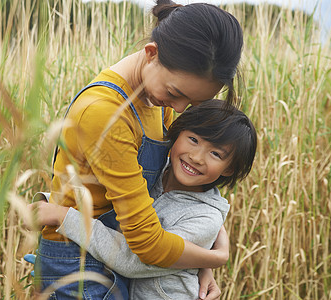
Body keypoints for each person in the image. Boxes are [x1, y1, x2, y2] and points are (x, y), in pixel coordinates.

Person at [25, 1, 244, 299]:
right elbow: (147, 245)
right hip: (79, 267)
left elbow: (163, 193)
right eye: (176, 94)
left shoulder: (155, 100)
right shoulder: (105, 114)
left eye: (191, 104)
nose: (179, 109)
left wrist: (201, 258)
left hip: (114, 258)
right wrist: (215, 257)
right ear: (151, 54)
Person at [31, 99, 257, 299]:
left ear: (229, 170)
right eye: (193, 139)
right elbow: (112, 202)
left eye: (216, 154)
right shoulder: (155, 170)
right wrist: (53, 201)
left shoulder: (204, 218)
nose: (196, 157)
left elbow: (133, 260)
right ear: (176, 133)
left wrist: (65, 217)